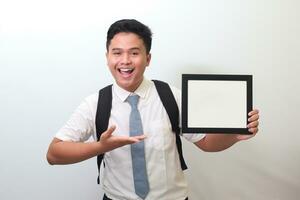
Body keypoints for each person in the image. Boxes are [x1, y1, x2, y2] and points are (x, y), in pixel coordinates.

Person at [46, 19, 260, 200]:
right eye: (117, 53)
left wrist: (234, 133)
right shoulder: (95, 103)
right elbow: (54, 154)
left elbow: (206, 143)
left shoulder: (171, 96)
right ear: (107, 58)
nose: (125, 61)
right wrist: (100, 146)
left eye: (134, 53)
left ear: (148, 58)